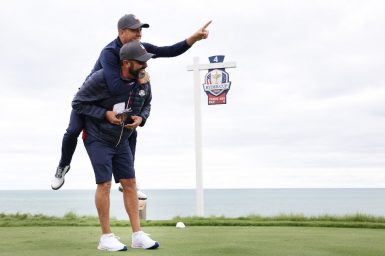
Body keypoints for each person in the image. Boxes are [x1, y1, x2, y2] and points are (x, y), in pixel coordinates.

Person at [51, 14, 211, 191]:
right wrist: (140, 77)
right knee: (73, 130)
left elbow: (169, 51)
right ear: (121, 32)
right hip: (90, 98)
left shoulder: (139, 49)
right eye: (134, 30)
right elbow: (116, 87)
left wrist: (194, 38)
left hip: (114, 101)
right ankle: (63, 166)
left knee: (130, 130)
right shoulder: (110, 52)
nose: (139, 33)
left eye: (140, 29)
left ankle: (126, 181)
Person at [72, 41, 158, 251]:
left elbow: (147, 104)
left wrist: (141, 118)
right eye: (141, 62)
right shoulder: (101, 78)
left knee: (130, 184)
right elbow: (78, 102)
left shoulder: (143, 81)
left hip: (122, 140)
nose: (145, 66)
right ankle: (106, 238)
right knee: (105, 184)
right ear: (126, 63)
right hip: (97, 138)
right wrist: (105, 114)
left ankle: (137, 235)